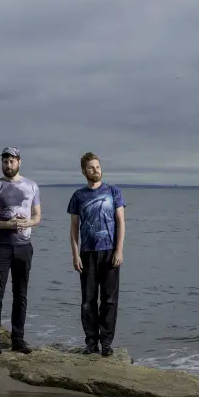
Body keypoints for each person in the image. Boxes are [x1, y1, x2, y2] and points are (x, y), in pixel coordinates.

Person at [0, 146, 41, 356]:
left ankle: (18, 338)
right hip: (1, 247)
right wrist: (8, 225)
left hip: (24, 247)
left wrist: (28, 222)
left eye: (12, 161)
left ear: (19, 162)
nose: (8, 165)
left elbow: (37, 216)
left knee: (20, 294)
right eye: (5, 161)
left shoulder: (32, 186)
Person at [67, 151, 126, 357]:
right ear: (84, 171)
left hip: (109, 252)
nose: (96, 170)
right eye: (91, 167)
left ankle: (107, 343)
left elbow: (121, 222)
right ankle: (91, 342)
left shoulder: (113, 192)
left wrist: (119, 250)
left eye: (98, 167)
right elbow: (74, 227)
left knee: (109, 300)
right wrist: (75, 254)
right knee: (88, 300)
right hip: (87, 253)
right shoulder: (78, 196)